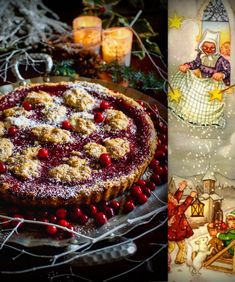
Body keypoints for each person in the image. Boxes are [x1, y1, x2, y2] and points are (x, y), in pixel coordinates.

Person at [168, 180, 197, 264]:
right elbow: (184, 206)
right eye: (171, 198)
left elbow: (176, 197)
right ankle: (179, 259)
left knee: (171, 246)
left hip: (172, 232)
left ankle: (171, 258)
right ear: (170, 202)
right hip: (177, 231)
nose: (174, 198)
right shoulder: (175, 210)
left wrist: (180, 189)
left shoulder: (172, 204)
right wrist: (190, 197)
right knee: (182, 246)